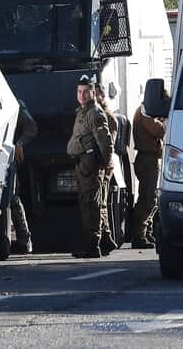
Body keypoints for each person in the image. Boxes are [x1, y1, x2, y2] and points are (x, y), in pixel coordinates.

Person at [66, 75, 114, 259]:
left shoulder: (95, 113)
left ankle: (93, 245)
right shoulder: (82, 111)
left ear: (93, 92)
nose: (82, 95)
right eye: (79, 92)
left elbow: (105, 141)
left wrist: (104, 163)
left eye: (86, 92)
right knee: (88, 203)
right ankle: (105, 242)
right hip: (82, 163)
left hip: (90, 164)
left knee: (90, 205)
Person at [131, 91, 167, 249]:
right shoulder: (146, 111)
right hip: (147, 159)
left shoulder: (146, 110)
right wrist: (165, 121)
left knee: (150, 198)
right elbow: (159, 130)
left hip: (150, 158)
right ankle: (139, 234)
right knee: (148, 198)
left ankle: (147, 232)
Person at [93, 82, 119, 256]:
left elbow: (108, 144)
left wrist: (103, 163)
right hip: (101, 164)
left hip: (103, 165)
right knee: (100, 202)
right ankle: (107, 238)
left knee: (101, 203)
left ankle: (107, 238)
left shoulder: (107, 116)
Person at [10, 99, 38, 254]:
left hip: (7, 156)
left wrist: (19, 143)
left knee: (12, 197)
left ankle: (23, 238)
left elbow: (30, 127)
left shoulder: (11, 100)